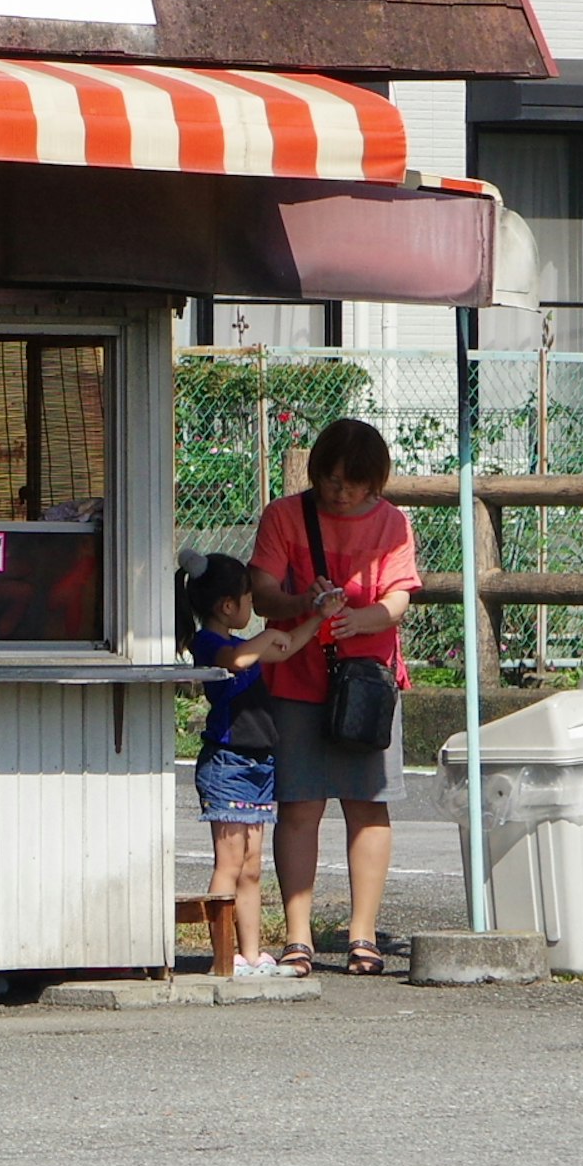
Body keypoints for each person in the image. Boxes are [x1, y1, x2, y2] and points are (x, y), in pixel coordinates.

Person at [249, 416, 422, 976]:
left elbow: (399, 598)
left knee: (368, 805)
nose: (337, 491)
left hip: (369, 681)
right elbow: (264, 596)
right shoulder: (284, 515)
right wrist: (305, 602)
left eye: (351, 482)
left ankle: (362, 935)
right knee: (299, 805)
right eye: (328, 478)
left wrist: (360, 619)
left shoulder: (392, 523)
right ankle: (298, 936)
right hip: (298, 677)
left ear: (375, 482)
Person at [184, 554, 317, 977]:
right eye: (247, 599)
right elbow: (236, 660)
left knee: (254, 864)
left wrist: (318, 616)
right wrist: (265, 638)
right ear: (227, 606)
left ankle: (252, 953)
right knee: (230, 862)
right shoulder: (208, 642)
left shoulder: (247, 645)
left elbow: (286, 646)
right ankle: (225, 956)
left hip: (259, 762)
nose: (251, 607)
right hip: (227, 763)